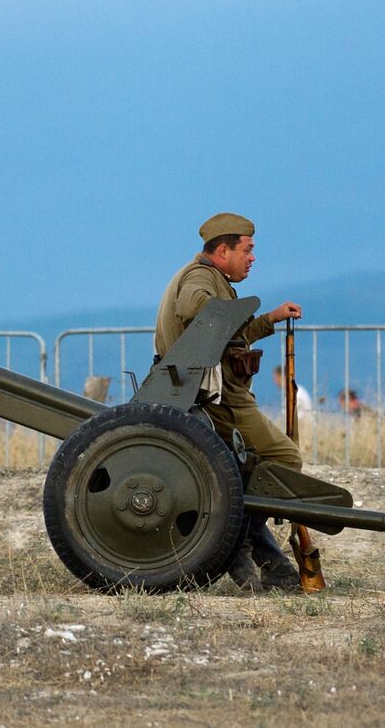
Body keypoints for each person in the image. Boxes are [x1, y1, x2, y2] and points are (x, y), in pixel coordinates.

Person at [155, 212, 304, 592]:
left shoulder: (212, 278)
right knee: (285, 460)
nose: (252, 258)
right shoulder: (200, 278)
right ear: (223, 250)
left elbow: (229, 335)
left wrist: (269, 318)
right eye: (247, 250)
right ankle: (242, 544)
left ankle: (260, 557)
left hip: (210, 391)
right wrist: (221, 309)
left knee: (243, 474)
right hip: (214, 397)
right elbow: (193, 308)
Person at [272, 365, 316, 431]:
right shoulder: (289, 392)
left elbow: (296, 418)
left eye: (276, 378)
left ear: (283, 377)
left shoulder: (296, 393)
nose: (275, 382)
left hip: (305, 430)